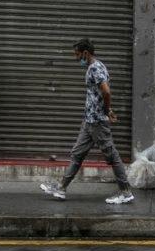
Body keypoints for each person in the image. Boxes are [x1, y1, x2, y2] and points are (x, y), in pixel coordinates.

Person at [41, 39, 133, 204]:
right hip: (89, 122)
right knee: (77, 154)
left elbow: (106, 92)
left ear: (85, 53)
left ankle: (126, 192)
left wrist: (105, 111)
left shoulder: (96, 68)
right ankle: (61, 189)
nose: (76, 58)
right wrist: (109, 111)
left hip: (97, 122)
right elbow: (99, 95)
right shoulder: (94, 67)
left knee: (112, 156)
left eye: (77, 55)